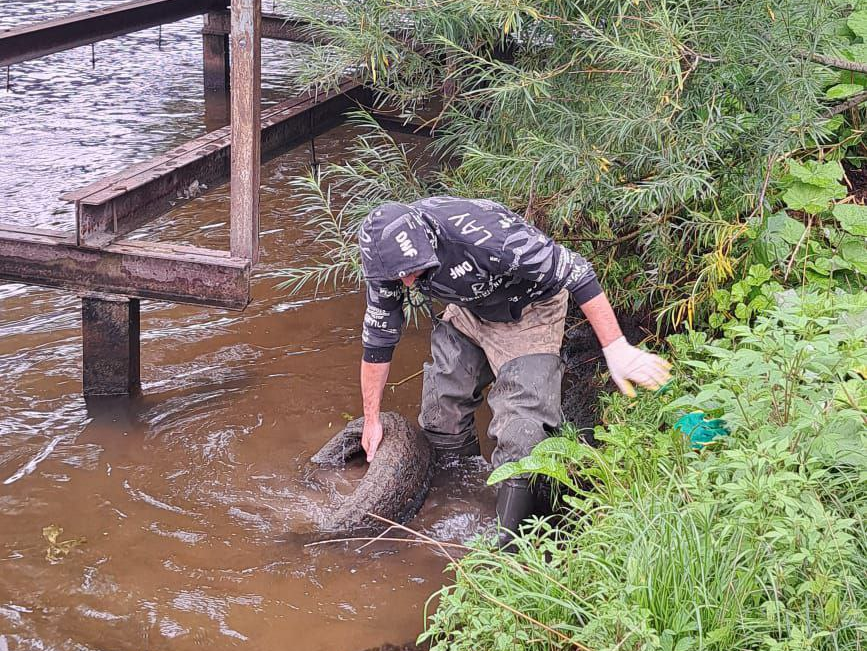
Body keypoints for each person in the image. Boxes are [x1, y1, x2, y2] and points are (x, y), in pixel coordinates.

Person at [357, 197, 671, 547]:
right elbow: (378, 340)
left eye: (413, 269)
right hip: (468, 310)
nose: (408, 280)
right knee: (440, 412)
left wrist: (616, 349)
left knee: (522, 433)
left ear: (427, 241)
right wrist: (371, 419)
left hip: (530, 312)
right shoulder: (388, 263)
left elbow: (577, 270)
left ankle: (508, 548)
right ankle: (453, 507)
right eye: (399, 275)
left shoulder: (486, 237)